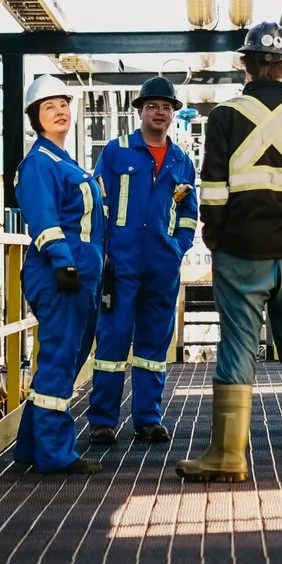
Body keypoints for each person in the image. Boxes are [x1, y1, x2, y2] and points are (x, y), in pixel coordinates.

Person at [180, 19, 282, 483]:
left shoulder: (225, 117)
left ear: (246, 65)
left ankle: (229, 456)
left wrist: (217, 236)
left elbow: (211, 190)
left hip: (241, 251)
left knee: (237, 346)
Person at [88, 75, 198, 447]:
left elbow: (188, 213)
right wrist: (102, 254)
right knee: (113, 340)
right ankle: (103, 421)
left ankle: (148, 419)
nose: (160, 112)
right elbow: (98, 207)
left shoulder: (182, 161)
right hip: (120, 265)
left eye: (166, 107)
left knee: (153, 345)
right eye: (153, 106)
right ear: (141, 111)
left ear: (173, 115)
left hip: (162, 267)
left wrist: (177, 248)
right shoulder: (116, 153)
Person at [12, 72, 103, 475]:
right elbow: (44, 218)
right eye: (49, 106)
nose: (60, 111)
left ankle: (32, 447)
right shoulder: (39, 164)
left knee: (63, 358)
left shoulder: (65, 162)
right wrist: (62, 260)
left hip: (81, 275)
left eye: (63, 104)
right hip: (59, 274)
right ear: (36, 117)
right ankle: (54, 455)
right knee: (60, 361)